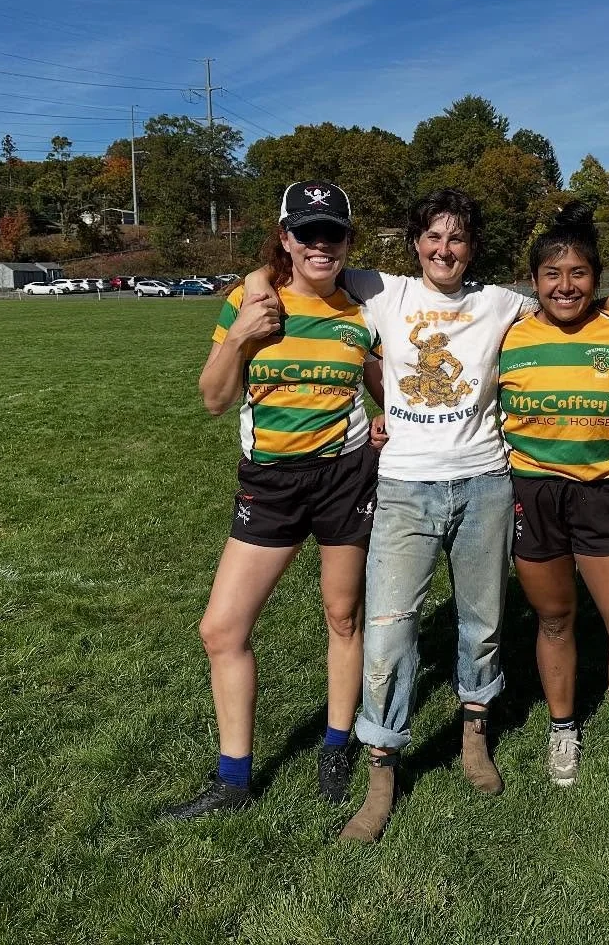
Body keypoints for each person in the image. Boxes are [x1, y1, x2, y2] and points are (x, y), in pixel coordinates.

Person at [241, 189, 609, 843]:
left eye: (456, 239)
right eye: (433, 237)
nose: (444, 250)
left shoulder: (501, 302)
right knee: (390, 633)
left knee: (482, 625)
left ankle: (474, 736)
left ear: (472, 247)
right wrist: (258, 277)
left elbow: (575, 296)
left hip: (485, 482)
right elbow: (293, 265)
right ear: (416, 242)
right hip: (403, 487)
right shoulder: (382, 291)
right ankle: (381, 772)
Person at [164, 181, 383, 820]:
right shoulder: (251, 300)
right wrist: (239, 338)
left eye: (333, 233)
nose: (321, 244)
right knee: (222, 628)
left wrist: (387, 420)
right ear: (285, 237)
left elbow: (386, 386)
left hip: (345, 479)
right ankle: (234, 779)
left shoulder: (360, 311)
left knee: (342, 618)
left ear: (347, 242)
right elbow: (212, 398)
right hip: (272, 484)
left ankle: (338, 743)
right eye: (306, 232)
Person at [498, 202, 609, 819]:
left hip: (603, 495)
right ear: (533, 282)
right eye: (553, 274)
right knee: (555, 619)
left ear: (598, 277)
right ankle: (563, 728)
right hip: (532, 493)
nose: (567, 286)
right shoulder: (509, 333)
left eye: (581, 273)